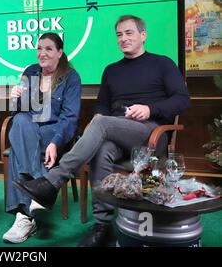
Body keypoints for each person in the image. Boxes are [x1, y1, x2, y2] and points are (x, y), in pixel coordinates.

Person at [14, 15, 191, 247]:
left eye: (129, 33)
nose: (123, 38)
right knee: (101, 147)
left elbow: (183, 100)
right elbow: (102, 106)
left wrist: (149, 109)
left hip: (150, 133)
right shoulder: (111, 70)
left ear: (143, 35)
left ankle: (52, 182)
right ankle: (103, 226)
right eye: (119, 34)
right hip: (116, 132)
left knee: (100, 122)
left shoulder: (163, 63)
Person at [2, 32, 81, 244]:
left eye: (48, 48)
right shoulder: (30, 72)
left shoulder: (70, 77)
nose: (42, 53)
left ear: (59, 52)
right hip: (27, 129)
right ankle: (42, 185)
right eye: (39, 48)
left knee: (19, 148)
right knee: (20, 122)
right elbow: (16, 112)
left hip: (53, 132)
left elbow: (70, 118)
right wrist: (15, 98)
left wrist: (56, 141)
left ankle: (23, 217)